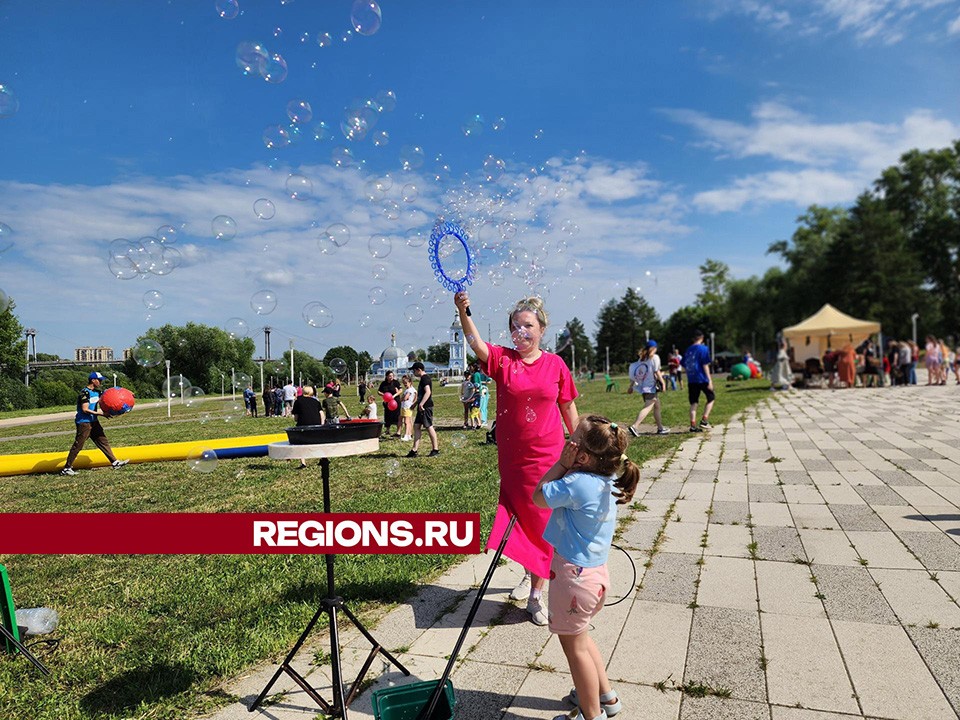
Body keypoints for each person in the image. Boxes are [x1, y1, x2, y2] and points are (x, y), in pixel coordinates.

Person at [455, 292, 579, 626]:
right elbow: (475, 343)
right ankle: (532, 571)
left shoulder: (555, 365)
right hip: (514, 460)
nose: (520, 331)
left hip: (549, 457)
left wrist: (580, 445)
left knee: (543, 523)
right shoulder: (503, 360)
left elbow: (567, 405)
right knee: (522, 520)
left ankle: (537, 595)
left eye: (527, 325)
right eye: (515, 326)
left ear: (541, 330)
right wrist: (463, 311)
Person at [532, 414, 637, 720]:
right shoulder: (606, 482)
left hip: (572, 582)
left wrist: (562, 465)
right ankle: (606, 695)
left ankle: (592, 715)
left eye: (572, 439)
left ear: (583, 456)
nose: (567, 441)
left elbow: (539, 497)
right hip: (596, 578)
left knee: (574, 649)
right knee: (582, 639)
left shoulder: (576, 482)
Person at [60, 372, 128, 475]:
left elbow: (110, 395)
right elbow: (85, 409)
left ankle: (115, 462)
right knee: (78, 445)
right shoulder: (84, 393)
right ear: (93, 380)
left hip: (94, 422)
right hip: (84, 423)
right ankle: (66, 468)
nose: (101, 382)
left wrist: (126, 394)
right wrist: (101, 414)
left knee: (103, 441)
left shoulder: (97, 392)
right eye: (99, 380)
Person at [627, 340, 668, 436]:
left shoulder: (642, 359)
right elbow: (657, 372)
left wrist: (631, 386)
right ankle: (635, 426)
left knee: (657, 405)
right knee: (647, 407)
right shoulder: (655, 358)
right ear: (654, 348)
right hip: (650, 387)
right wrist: (663, 383)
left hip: (643, 387)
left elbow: (636, 373)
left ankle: (660, 428)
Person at [682, 330, 714, 432]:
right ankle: (704, 420)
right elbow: (705, 365)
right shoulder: (703, 349)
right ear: (702, 338)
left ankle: (693, 425)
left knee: (694, 402)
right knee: (711, 397)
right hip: (702, 378)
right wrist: (709, 380)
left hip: (692, 379)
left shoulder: (688, 350)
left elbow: (684, 364)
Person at [407, 362, 440, 457]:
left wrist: (421, 404)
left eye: (414, 370)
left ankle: (435, 449)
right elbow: (421, 395)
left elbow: (428, 392)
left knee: (429, 426)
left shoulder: (425, 378)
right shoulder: (423, 379)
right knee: (417, 426)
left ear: (419, 370)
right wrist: (415, 404)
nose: (413, 372)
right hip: (421, 407)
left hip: (426, 407)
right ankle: (414, 450)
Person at [291, 385, 323, 468]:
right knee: (318, 442)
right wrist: (321, 424)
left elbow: (296, 417)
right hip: (316, 423)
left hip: (303, 423)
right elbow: (322, 414)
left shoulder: (298, 401)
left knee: (300, 443)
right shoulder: (316, 401)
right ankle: (322, 458)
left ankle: (303, 463)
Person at [378, 370, 402, 437]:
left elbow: (400, 390)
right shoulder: (383, 383)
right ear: (386, 376)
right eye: (389, 376)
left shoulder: (396, 382)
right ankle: (387, 430)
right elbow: (379, 392)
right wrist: (384, 395)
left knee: (397, 416)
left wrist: (394, 395)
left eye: (392, 376)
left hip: (395, 402)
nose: (391, 377)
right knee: (387, 416)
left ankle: (398, 431)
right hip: (387, 403)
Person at [399, 375, 417, 441]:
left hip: (407, 407)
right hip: (405, 407)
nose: (405, 385)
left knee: (406, 422)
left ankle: (406, 435)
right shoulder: (411, 389)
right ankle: (409, 435)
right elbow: (415, 396)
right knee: (408, 421)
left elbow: (406, 397)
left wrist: (403, 398)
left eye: (406, 383)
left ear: (410, 382)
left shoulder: (409, 390)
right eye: (404, 383)